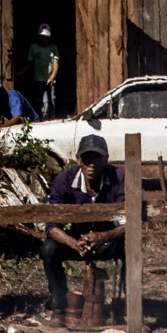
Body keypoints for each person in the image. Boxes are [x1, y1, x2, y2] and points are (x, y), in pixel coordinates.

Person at [41, 134, 124, 319]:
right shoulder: (64, 180)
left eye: (97, 157)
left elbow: (129, 224)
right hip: (77, 241)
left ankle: (126, 306)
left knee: (131, 246)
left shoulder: (118, 177)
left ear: (106, 159)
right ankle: (60, 306)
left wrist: (103, 237)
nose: (91, 163)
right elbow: (52, 226)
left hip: (108, 241)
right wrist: (73, 243)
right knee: (49, 248)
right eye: (87, 158)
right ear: (78, 159)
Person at [26, 23, 60, 119]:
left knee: (52, 100)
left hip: (50, 79)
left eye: (46, 37)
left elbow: (56, 64)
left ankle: (52, 119)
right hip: (39, 79)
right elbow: (29, 63)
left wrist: (52, 77)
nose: (44, 39)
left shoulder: (53, 48)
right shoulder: (34, 47)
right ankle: (41, 119)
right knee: (43, 101)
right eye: (43, 37)